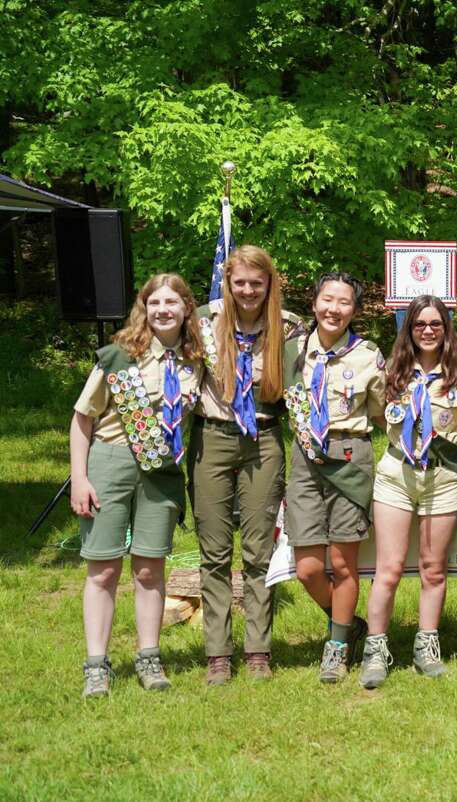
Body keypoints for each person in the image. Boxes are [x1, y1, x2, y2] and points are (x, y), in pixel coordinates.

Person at [71, 273, 205, 697]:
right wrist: (80, 477)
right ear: (143, 309)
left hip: (161, 471)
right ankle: (97, 664)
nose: (163, 310)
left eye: (172, 302)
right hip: (110, 462)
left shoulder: (195, 360)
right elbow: (82, 419)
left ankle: (150, 657)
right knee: (104, 566)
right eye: (155, 303)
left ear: (186, 309)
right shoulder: (118, 356)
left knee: (149, 568)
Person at [190, 245, 306, 685]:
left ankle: (258, 650)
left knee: (260, 550)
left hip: (264, 437)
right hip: (213, 437)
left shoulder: (289, 326)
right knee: (214, 551)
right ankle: (217, 654)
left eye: (257, 282)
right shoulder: (203, 320)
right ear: (228, 281)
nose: (248, 290)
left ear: (269, 283)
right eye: (240, 282)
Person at [360, 295, 457, 687]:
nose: (428, 330)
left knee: (432, 568)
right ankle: (375, 650)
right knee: (388, 570)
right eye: (420, 324)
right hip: (396, 475)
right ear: (409, 329)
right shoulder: (390, 373)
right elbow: (371, 413)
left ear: (446, 329)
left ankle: (427, 646)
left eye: (435, 324)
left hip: (442, 479)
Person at [282, 272, 385, 684]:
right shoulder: (291, 352)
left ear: (355, 311)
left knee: (343, 563)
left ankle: (338, 645)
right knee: (307, 567)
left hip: (350, 455)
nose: (334, 309)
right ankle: (349, 623)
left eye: (344, 302)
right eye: (327, 300)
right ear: (314, 303)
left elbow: (381, 412)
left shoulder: (368, 355)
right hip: (305, 458)